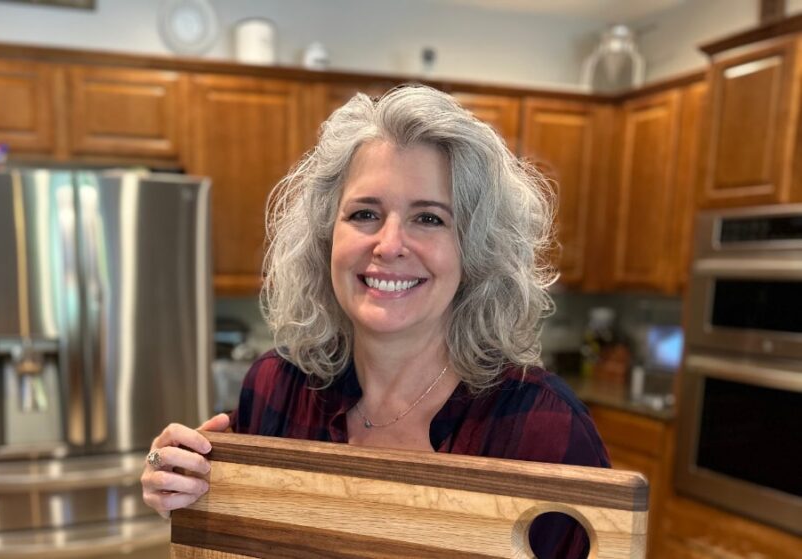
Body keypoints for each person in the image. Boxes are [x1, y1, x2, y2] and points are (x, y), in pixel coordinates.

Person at [141, 84, 609, 558]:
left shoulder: (543, 429)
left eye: (429, 219)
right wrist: (179, 481)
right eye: (365, 213)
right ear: (326, 237)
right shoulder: (277, 387)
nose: (388, 245)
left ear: (476, 250)